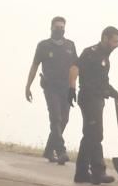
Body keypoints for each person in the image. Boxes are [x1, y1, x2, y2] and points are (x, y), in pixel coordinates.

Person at [25, 16, 78, 165]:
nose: (60, 30)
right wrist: (28, 86)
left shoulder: (70, 45)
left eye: (62, 27)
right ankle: (61, 150)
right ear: (51, 28)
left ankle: (49, 150)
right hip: (50, 87)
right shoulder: (43, 46)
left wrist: (73, 87)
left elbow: (75, 67)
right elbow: (34, 66)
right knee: (56, 118)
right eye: (57, 27)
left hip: (66, 88)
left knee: (64, 119)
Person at [71, 26, 118, 185]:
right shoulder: (90, 53)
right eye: (114, 41)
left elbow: (103, 81)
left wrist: (112, 91)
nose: (116, 45)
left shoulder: (105, 58)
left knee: (90, 135)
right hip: (88, 98)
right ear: (105, 38)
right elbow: (75, 67)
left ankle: (82, 173)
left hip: (98, 99)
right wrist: (71, 87)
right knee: (96, 134)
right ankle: (98, 172)